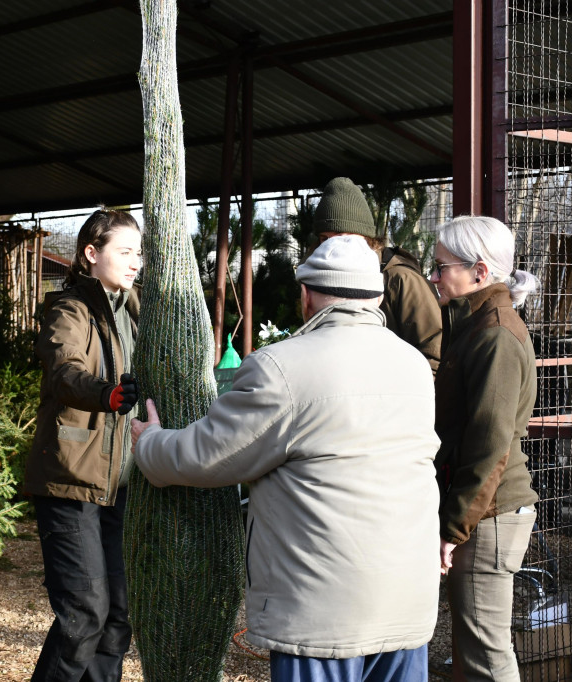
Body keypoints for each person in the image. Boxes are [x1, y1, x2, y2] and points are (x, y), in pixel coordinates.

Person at [131, 235, 439, 682]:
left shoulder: (281, 367)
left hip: (321, 610)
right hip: (406, 603)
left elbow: (211, 454)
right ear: (376, 296)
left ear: (307, 294)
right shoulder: (413, 364)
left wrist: (150, 443)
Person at [24, 209, 142, 682]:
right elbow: (65, 370)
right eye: (126, 251)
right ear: (91, 254)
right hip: (71, 479)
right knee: (83, 615)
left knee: (118, 613)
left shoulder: (135, 309)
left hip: (122, 482)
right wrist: (107, 393)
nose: (136, 262)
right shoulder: (70, 310)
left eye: (140, 252)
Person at [429, 215, 540, 682]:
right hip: (484, 511)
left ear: (478, 272)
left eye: (441, 267)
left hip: (488, 515)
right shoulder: (475, 323)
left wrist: (453, 529)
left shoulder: (494, 333)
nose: (433, 276)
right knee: (474, 650)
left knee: (486, 658)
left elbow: (489, 447)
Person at [313, 176, 442, 374]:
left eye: (342, 237)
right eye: (325, 238)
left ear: (366, 238)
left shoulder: (401, 279)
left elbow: (433, 353)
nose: (333, 246)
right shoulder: (317, 276)